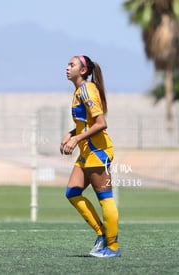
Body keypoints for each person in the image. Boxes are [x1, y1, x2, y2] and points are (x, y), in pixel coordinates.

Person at [60, 55, 120, 258]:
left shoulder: (86, 90)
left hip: (98, 152)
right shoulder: (80, 90)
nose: (67, 68)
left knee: (105, 199)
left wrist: (77, 139)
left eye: (72, 65)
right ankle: (102, 233)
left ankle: (112, 247)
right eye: (68, 64)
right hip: (87, 152)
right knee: (72, 193)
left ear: (83, 70)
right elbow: (85, 123)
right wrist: (71, 134)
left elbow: (101, 123)